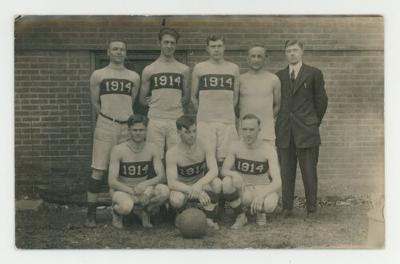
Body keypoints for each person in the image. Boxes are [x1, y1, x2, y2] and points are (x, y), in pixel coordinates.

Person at [86, 41, 141, 227]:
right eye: (115, 49)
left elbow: (130, 102)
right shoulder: (98, 74)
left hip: (126, 126)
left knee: (124, 170)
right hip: (106, 124)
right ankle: (90, 214)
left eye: (122, 49)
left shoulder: (133, 76)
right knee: (99, 169)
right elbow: (95, 102)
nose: (119, 52)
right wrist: (108, 117)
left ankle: (121, 210)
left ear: (126, 53)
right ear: (108, 52)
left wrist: (122, 118)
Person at [275, 40, 328, 218]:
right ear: (285, 53)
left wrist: (312, 122)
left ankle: (311, 209)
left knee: (309, 172)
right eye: (288, 50)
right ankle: (287, 207)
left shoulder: (313, 73)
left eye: (295, 50)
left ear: (302, 52)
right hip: (285, 131)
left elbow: (321, 102)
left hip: (307, 131)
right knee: (286, 172)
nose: (292, 53)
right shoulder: (279, 76)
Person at [108, 114, 170, 229]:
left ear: (146, 131)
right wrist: (131, 191)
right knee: (126, 207)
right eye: (135, 130)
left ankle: (144, 211)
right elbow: (112, 182)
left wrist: (146, 186)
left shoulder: (152, 148)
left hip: (142, 188)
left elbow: (162, 176)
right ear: (129, 131)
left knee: (164, 191)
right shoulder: (118, 150)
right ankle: (116, 212)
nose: (138, 133)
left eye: (141, 130)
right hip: (123, 189)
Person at [221, 114, 281, 229]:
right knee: (227, 182)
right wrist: (234, 174)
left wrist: (261, 195)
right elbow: (224, 170)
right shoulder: (235, 146)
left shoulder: (268, 149)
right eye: (245, 129)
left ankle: (261, 212)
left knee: (269, 205)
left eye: (252, 130)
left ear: (259, 130)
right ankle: (241, 215)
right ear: (241, 130)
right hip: (245, 189)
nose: (248, 134)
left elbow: (277, 181)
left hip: (262, 188)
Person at [139, 27, 190, 160]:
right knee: (155, 156)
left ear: (176, 45)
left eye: (172, 43)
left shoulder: (183, 69)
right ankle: (158, 181)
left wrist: (173, 102)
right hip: (156, 118)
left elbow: (186, 97)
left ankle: (173, 181)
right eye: (166, 42)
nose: (169, 46)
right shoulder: (149, 69)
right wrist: (156, 101)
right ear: (159, 43)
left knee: (177, 155)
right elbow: (142, 99)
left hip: (175, 117)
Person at [191, 34, 240, 167]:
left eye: (219, 46)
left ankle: (224, 186)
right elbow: (193, 97)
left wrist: (226, 111)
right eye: (213, 47)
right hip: (205, 121)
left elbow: (235, 97)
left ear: (224, 47)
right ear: (207, 49)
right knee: (206, 158)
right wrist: (203, 113)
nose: (216, 49)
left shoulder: (233, 68)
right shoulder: (200, 68)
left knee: (225, 159)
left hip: (227, 121)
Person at [166, 115, 221, 230]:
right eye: (187, 132)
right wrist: (192, 189)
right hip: (183, 188)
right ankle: (180, 215)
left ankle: (209, 217)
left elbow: (214, 170)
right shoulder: (172, 152)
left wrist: (199, 185)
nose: (192, 135)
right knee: (176, 199)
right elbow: (172, 183)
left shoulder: (205, 145)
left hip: (199, 183)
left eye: (194, 131)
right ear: (178, 132)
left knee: (217, 184)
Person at [239, 44, 281, 145]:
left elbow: (277, 105)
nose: (256, 60)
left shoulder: (273, 79)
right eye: (253, 56)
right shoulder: (240, 79)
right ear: (248, 59)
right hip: (245, 132)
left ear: (265, 59)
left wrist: (266, 118)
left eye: (259, 56)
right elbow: (235, 105)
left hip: (266, 131)